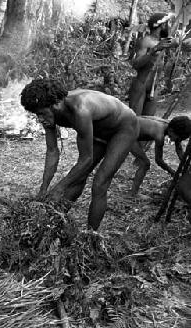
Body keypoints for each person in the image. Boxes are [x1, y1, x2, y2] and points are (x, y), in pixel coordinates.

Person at [20, 79, 139, 230]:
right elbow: (52, 152)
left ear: (55, 104)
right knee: (77, 178)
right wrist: (44, 188)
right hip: (97, 130)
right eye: (37, 115)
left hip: (124, 127)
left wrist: (59, 188)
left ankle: (91, 235)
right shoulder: (48, 111)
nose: (40, 119)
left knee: (100, 183)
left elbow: (86, 160)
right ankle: (51, 225)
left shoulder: (80, 109)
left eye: (42, 114)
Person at [129, 13, 176, 116]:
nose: (169, 27)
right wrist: (154, 50)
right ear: (162, 25)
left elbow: (178, 42)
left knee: (148, 122)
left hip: (154, 88)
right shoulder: (145, 41)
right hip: (141, 85)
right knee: (136, 121)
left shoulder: (163, 42)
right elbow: (136, 64)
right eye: (168, 24)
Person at [130, 116, 191, 196]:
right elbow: (158, 160)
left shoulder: (171, 125)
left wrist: (188, 166)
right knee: (145, 163)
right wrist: (172, 172)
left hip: (131, 127)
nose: (175, 141)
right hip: (128, 132)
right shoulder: (159, 134)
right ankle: (133, 194)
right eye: (176, 138)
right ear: (171, 131)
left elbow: (179, 150)